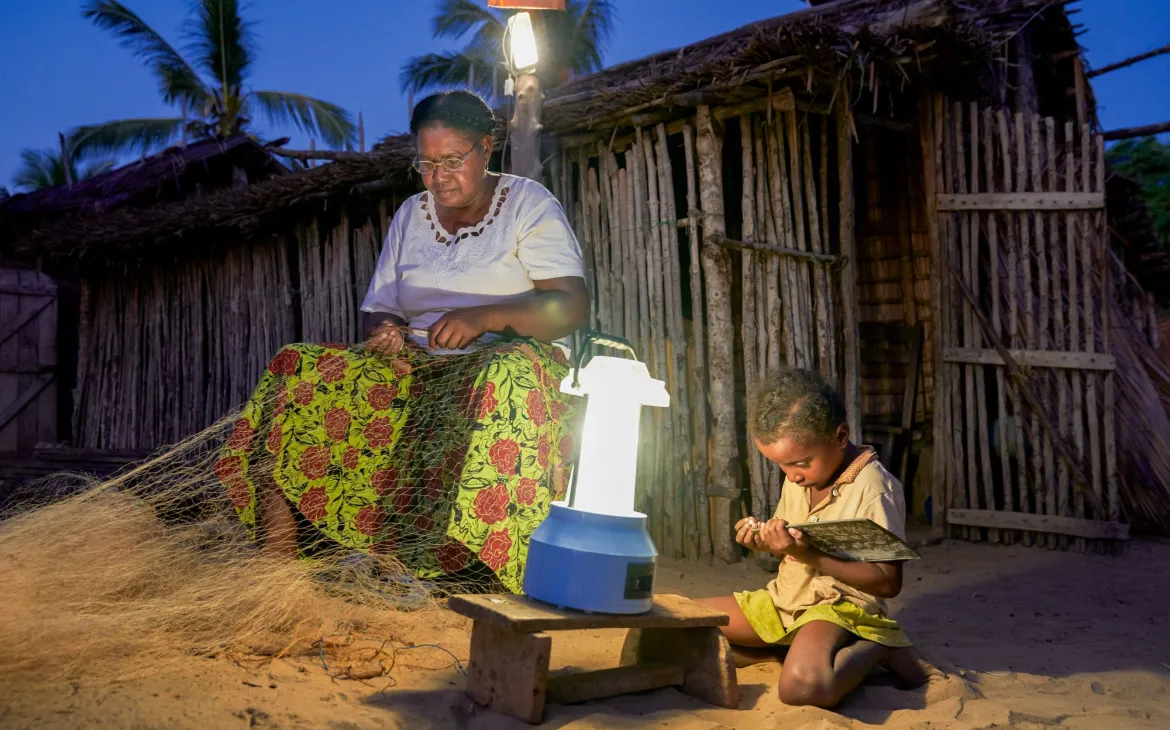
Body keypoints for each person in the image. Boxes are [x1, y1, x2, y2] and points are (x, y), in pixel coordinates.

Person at [215, 90, 589, 594]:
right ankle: (278, 561)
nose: (439, 177)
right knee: (298, 365)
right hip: (418, 360)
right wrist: (385, 330)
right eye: (428, 163)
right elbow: (381, 303)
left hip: (505, 359)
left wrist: (485, 316)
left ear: (487, 147)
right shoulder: (413, 214)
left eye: (453, 160)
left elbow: (569, 305)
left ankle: (480, 570)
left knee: (505, 376)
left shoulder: (527, 203)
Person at [698, 369, 931, 708]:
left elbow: (887, 582)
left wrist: (807, 554)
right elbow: (790, 550)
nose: (792, 475)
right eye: (781, 466)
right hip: (785, 600)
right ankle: (792, 648)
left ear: (839, 436)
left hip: (839, 608)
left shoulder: (873, 489)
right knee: (682, 623)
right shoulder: (799, 479)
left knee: (801, 688)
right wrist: (764, 542)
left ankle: (877, 648)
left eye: (800, 463)